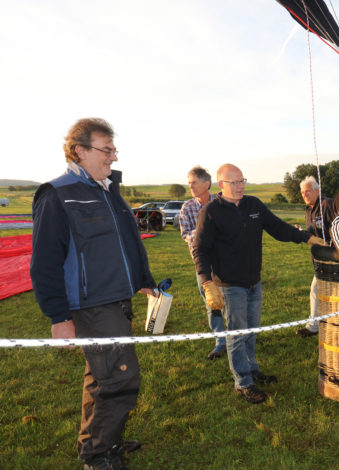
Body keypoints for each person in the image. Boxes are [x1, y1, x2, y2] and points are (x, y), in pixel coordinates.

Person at [30, 118, 156, 470]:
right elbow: (45, 261)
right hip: (92, 305)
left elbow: (129, 241)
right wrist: (59, 317)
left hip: (117, 300)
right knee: (120, 378)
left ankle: (100, 440)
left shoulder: (108, 190)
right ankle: (99, 455)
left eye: (114, 149)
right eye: (107, 149)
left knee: (101, 376)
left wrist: (143, 278)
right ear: (79, 151)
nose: (113, 157)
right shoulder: (57, 194)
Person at [192, 164, 324, 404]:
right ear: (221, 185)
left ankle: (252, 369)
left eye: (242, 181)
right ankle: (243, 382)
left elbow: (278, 227)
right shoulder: (210, 212)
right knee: (237, 334)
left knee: (252, 330)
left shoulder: (254, 205)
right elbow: (200, 249)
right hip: (229, 285)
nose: (240, 186)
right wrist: (206, 282)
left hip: (254, 281)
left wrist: (306, 237)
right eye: (234, 182)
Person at [179, 166, 227, 359]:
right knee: (212, 304)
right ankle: (221, 342)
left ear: (207, 184)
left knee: (231, 301)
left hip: (225, 262)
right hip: (203, 265)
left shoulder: (222, 203)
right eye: (189, 183)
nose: (190, 186)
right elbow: (185, 234)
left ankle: (237, 337)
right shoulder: (187, 207)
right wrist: (205, 234)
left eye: (194, 183)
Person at [296, 176, 335, 338]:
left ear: (317, 191)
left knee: (316, 289)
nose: (305, 195)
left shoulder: (327, 205)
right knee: (326, 291)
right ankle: (328, 322)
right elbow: (312, 234)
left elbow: (338, 227)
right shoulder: (308, 210)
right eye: (302, 192)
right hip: (318, 259)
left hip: (333, 258)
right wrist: (301, 233)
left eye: (308, 191)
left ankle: (314, 326)